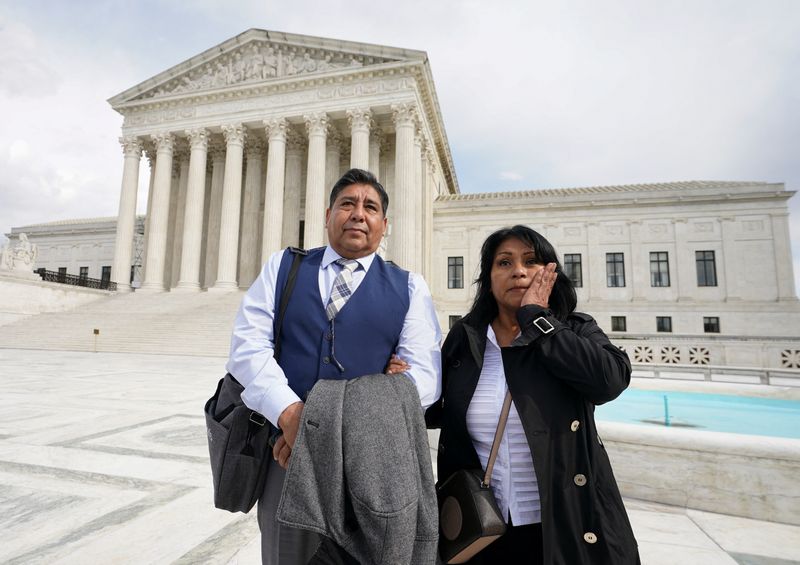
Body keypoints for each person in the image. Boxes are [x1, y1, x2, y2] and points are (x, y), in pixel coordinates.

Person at [226, 168, 442, 565]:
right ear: (327, 216)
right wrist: (291, 416)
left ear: (384, 224)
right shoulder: (284, 268)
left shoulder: (410, 286)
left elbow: (424, 379)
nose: (358, 214)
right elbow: (247, 348)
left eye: (370, 207)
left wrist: (328, 430)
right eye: (347, 203)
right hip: (286, 457)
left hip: (370, 466)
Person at [425, 225, 639, 564]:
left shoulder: (573, 330)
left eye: (531, 261)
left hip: (563, 526)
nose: (519, 271)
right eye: (504, 263)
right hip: (483, 526)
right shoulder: (466, 340)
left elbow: (610, 380)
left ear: (550, 272)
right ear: (489, 277)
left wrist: (537, 319)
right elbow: (433, 409)